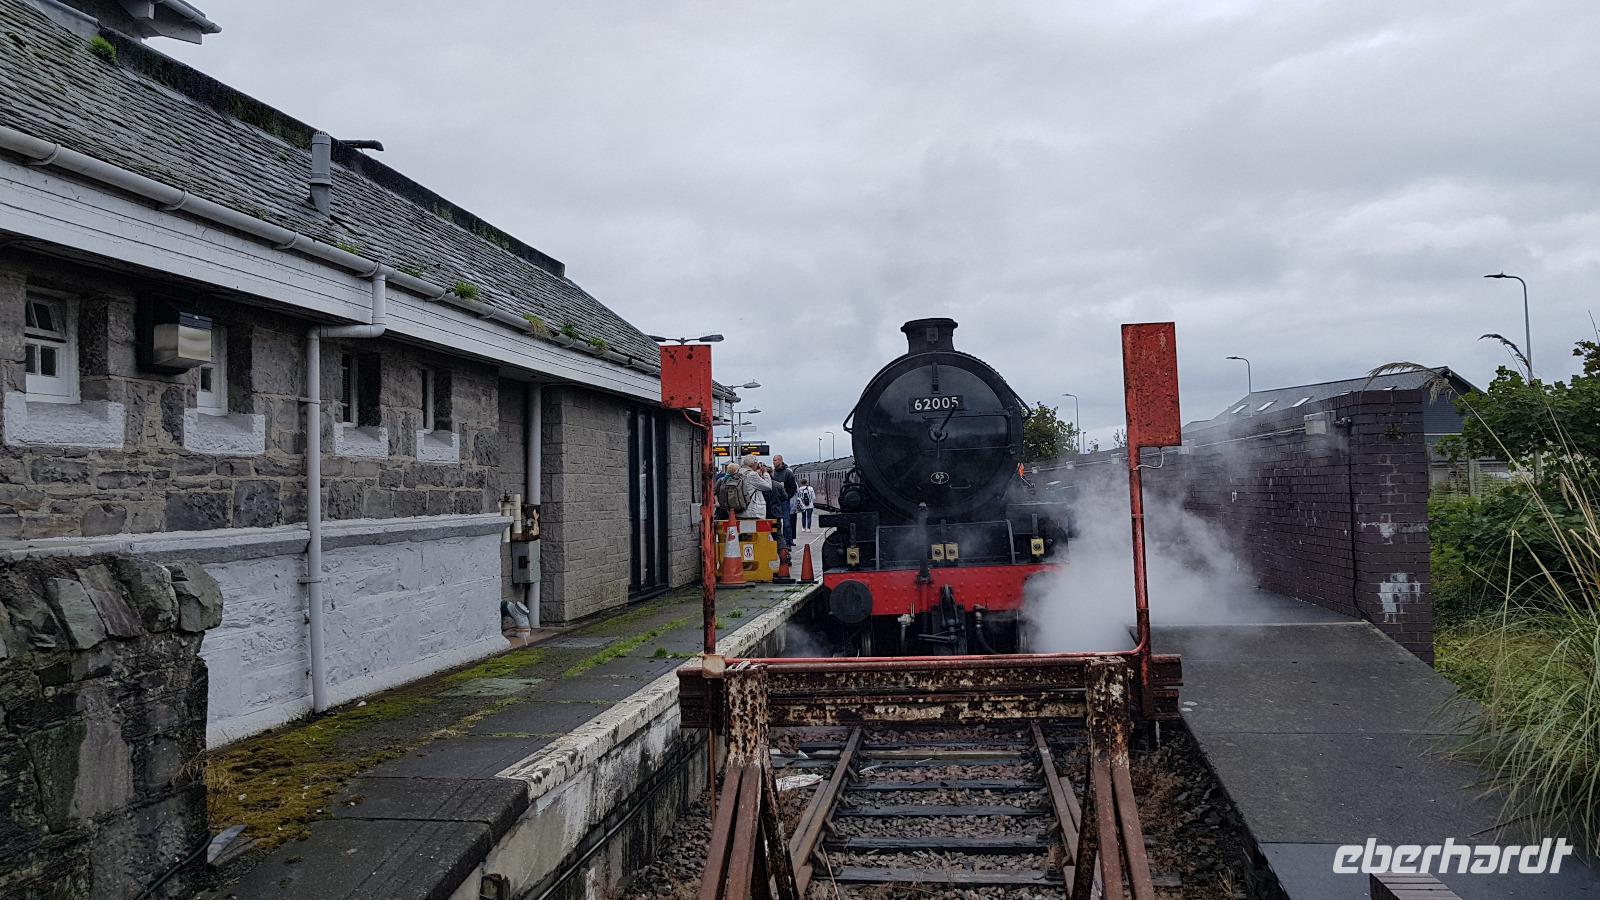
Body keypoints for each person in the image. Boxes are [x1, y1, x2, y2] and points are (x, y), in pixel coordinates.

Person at [771, 454, 799, 550]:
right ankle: (778, 543)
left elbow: (793, 487)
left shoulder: (788, 473)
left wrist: (787, 497)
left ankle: (788, 543)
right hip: (775, 502)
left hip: (784, 502)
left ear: (780, 461)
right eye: (773, 460)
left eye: (775, 460)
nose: (773, 462)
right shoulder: (773, 473)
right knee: (776, 523)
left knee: (787, 523)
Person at [738, 454, 771, 521]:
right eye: (756, 463)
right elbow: (768, 486)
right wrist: (765, 473)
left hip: (739, 511)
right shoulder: (752, 474)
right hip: (752, 511)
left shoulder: (738, 473)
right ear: (752, 463)